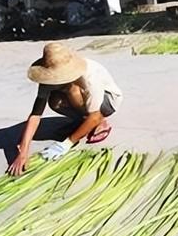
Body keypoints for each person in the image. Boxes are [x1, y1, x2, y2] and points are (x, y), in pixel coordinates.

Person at [6, 42, 123, 176]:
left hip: (108, 101)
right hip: (87, 102)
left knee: (74, 92)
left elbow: (94, 115)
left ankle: (99, 122)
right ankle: (84, 122)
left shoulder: (90, 77)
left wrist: (66, 144)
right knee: (55, 101)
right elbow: (35, 115)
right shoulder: (48, 78)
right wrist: (23, 152)